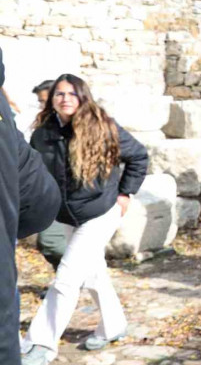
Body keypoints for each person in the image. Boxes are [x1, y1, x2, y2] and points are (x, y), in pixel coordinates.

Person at [22, 74, 149, 365]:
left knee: (66, 279)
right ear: (51, 99)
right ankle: (114, 326)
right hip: (66, 214)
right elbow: (34, 172)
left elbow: (139, 156)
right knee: (93, 274)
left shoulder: (103, 126)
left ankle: (41, 343)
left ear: (82, 97)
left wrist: (125, 194)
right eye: (59, 94)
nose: (65, 98)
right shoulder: (42, 133)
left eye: (71, 94)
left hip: (100, 211)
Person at [0, 48, 61, 365]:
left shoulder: (95, 123)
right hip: (52, 211)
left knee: (76, 274)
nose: (56, 102)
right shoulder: (37, 127)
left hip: (89, 209)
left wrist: (118, 196)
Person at [28, 80, 69, 272]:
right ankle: (67, 280)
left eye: (45, 101)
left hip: (80, 201)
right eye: (40, 102)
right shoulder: (40, 132)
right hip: (50, 199)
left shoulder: (83, 127)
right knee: (49, 243)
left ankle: (74, 277)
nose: (42, 106)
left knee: (54, 243)